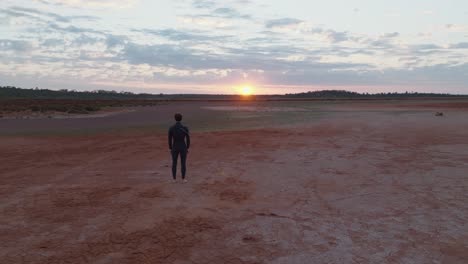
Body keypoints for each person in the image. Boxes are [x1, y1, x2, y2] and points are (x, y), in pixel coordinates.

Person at [168, 113, 190, 183]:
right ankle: (183, 179)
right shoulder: (185, 128)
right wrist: (187, 147)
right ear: (181, 118)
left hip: (175, 146)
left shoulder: (171, 128)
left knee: (174, 163)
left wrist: (170, 148)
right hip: (183, 146)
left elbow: (169, 139)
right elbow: (188, 138)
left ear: (175, 118)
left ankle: (174, 179)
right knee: (183, 163)